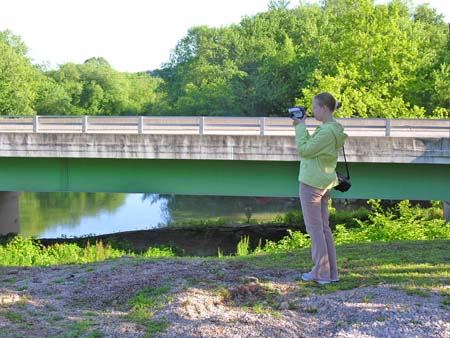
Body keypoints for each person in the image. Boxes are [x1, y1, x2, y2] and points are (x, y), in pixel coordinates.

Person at [292, 92, 347, 285]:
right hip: (325, 182)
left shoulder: (325, 132)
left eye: (315, 107)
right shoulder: (333, 130)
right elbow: (311, 148)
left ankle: (321, 274)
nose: (313, 110)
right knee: (323, 229)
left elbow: (305, 150)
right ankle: (331, 273)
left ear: (325, 108)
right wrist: (303, 128)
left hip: (312, 183)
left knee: (315, 229)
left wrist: (300, 127)